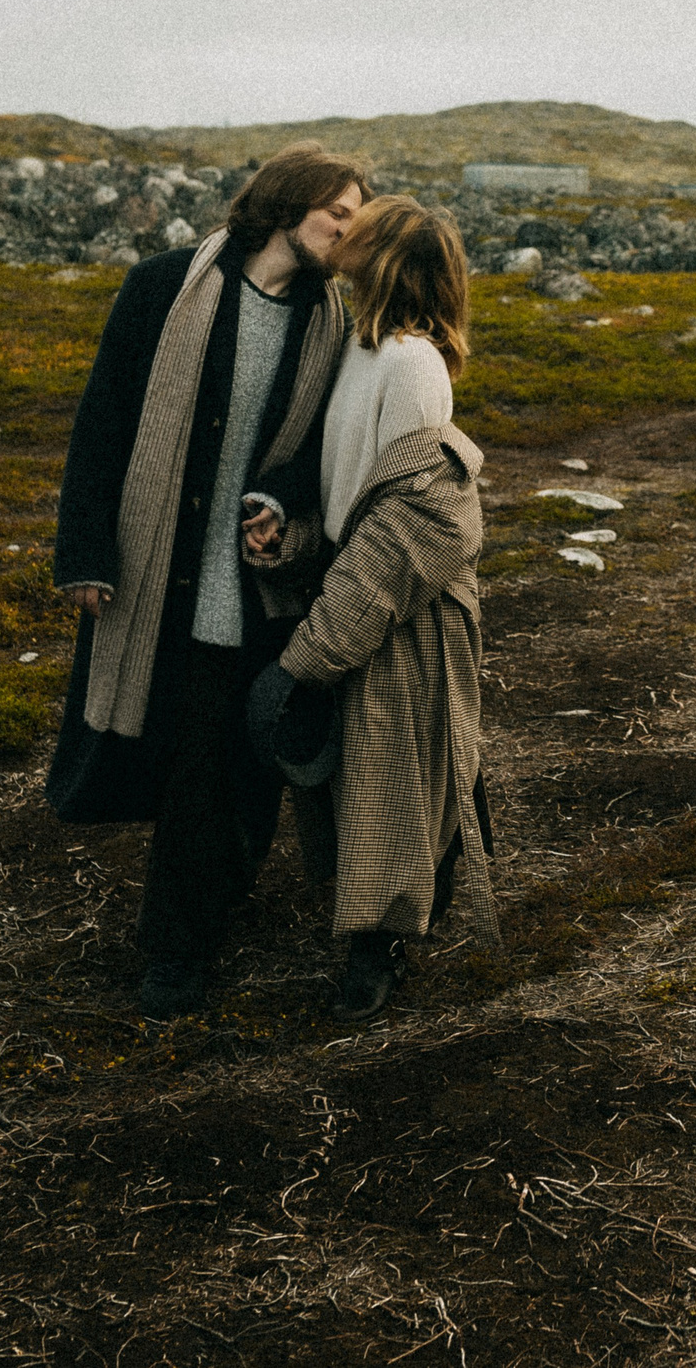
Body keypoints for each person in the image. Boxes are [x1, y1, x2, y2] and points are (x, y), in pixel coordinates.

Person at [46, 143, 370, 1019]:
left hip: (265, 588)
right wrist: (83, 551)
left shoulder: (332, 325)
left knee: (247, 767)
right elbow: (104, 416)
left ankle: (207, 910)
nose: (346, 227)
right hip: (169, 582)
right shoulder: (162, 286)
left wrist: (283, 504)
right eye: (335, 209)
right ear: (284, 202)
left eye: (355, 216)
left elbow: (325, 454)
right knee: (194, 765)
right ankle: (175, 955)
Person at [241, 194, 495, 1021]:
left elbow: (412, 517)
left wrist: (315, 645)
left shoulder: (412, 363)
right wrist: (299, 532)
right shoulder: (359, 348)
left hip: (404, 607)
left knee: (393, 767)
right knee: (370, 766)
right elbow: (355, 492)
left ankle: (380, 947)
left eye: (364, 226)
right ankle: (409, 896)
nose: (343, 232)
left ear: (387, 255)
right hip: (358, 584)